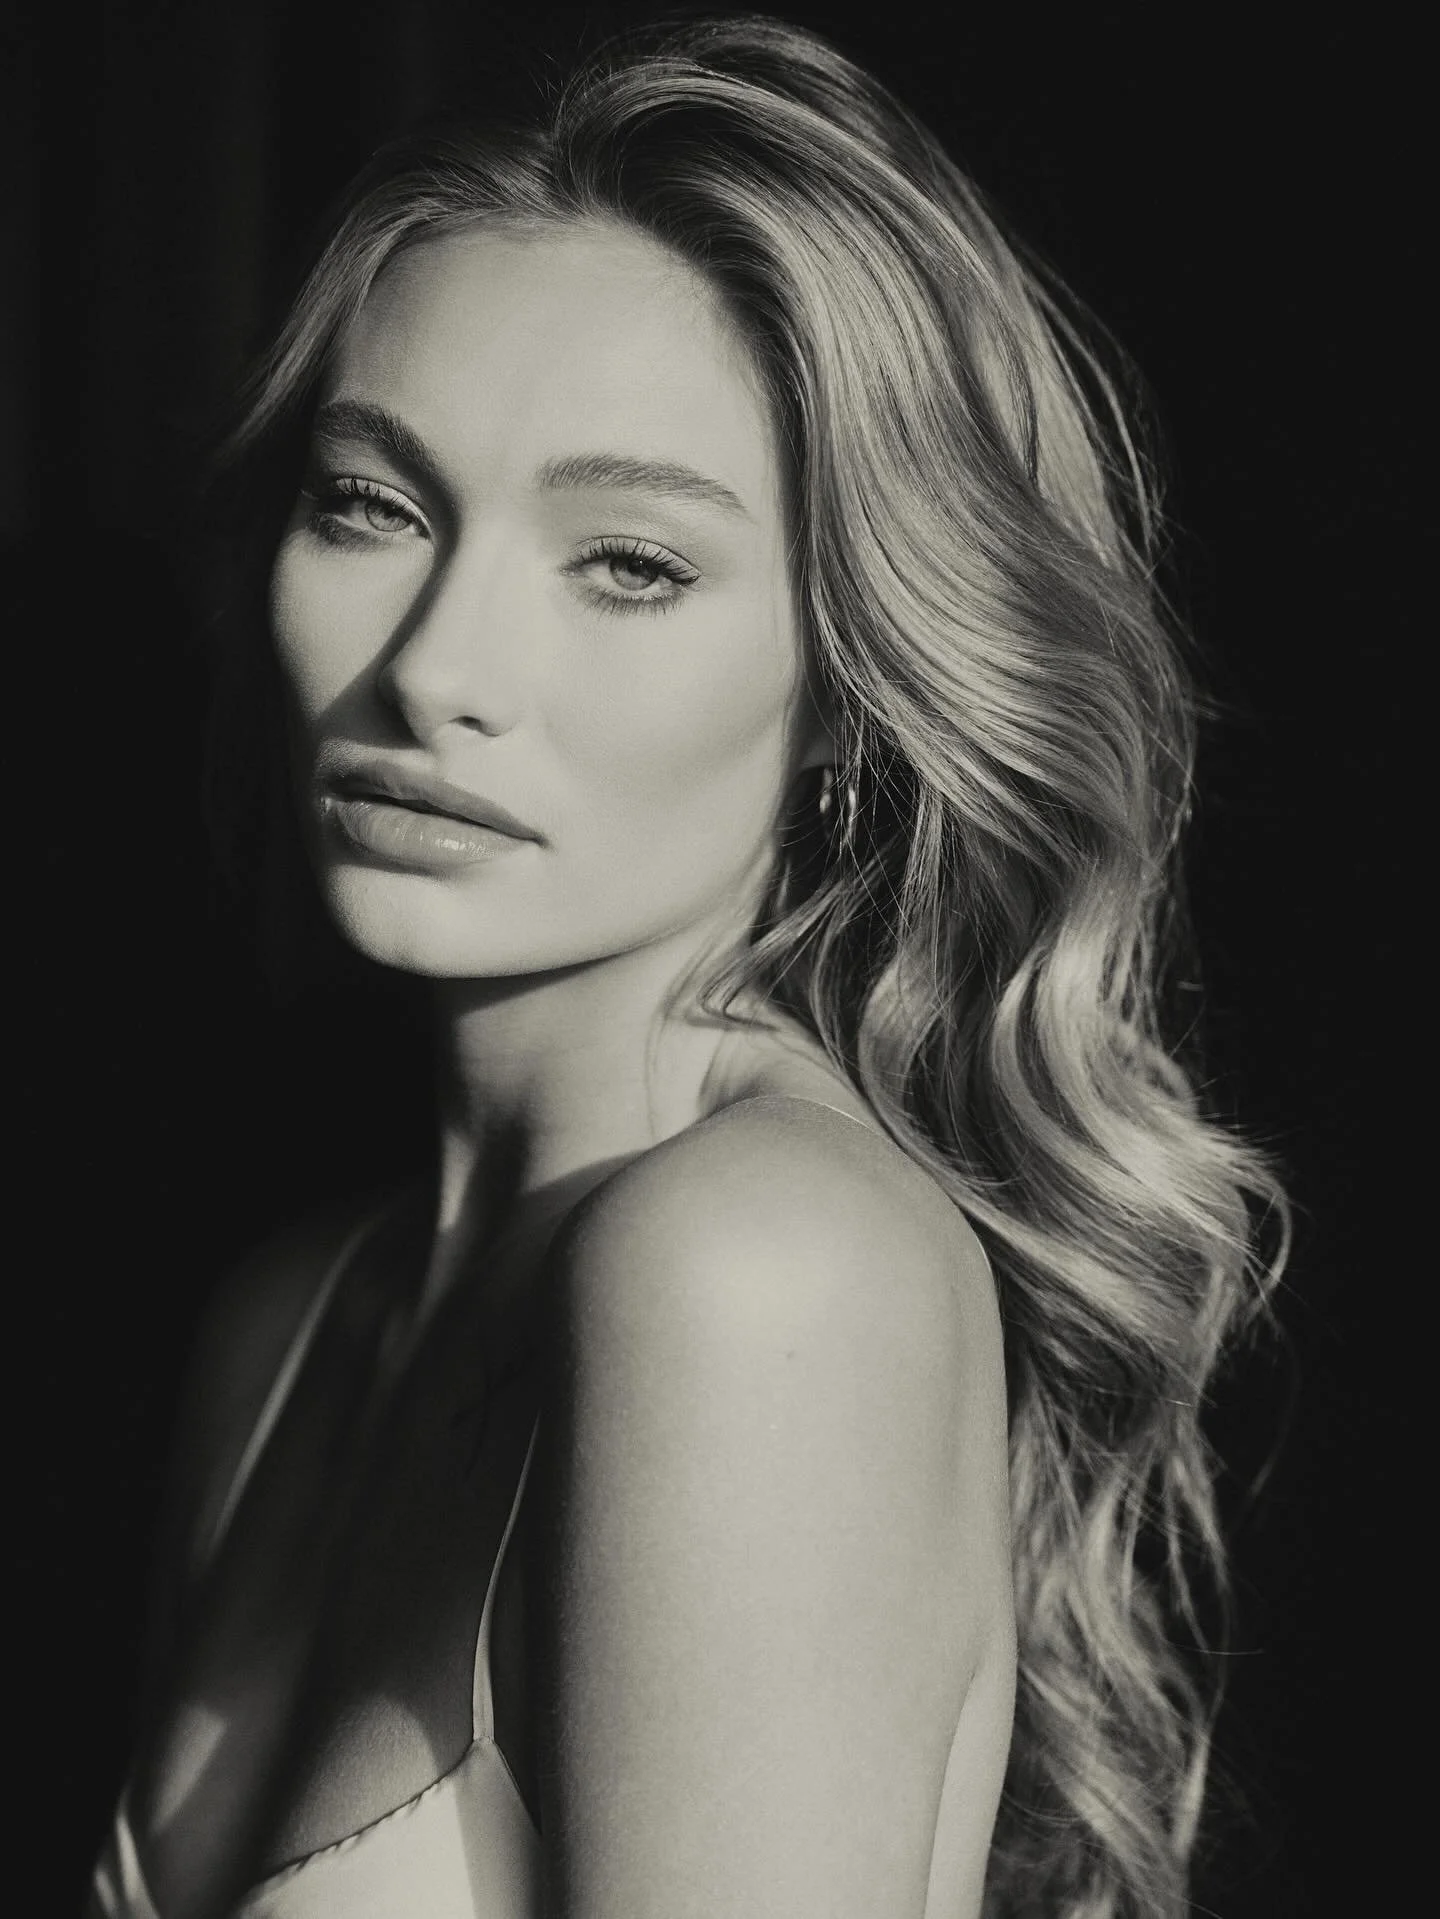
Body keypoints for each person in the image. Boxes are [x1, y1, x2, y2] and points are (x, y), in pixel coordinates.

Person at [89, 15, 1285, 1918]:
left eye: (629, 563)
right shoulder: (297, 1321)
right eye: (374, 505)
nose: (436, 667)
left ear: (852, 695)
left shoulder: (761, 1270)